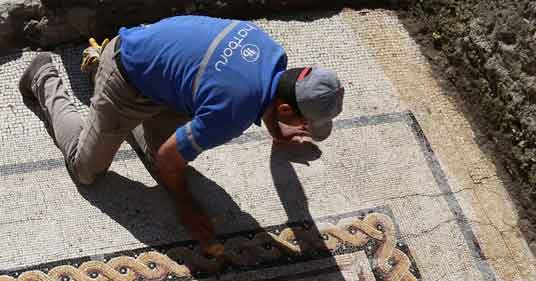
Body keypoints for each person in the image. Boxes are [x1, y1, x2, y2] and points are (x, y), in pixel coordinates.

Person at [19, 16, 345, 251]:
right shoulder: (233, 110)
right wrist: (186, 207)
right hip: (126, 81)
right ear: (286, 108)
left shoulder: (270, 51)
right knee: (88, 169)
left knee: (160, 161)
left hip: (160, 70)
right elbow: (169, 157)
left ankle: (105, 85)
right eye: (303, 123)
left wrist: (277, 129)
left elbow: (260, 96)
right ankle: (44, 75)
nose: (303, 130)